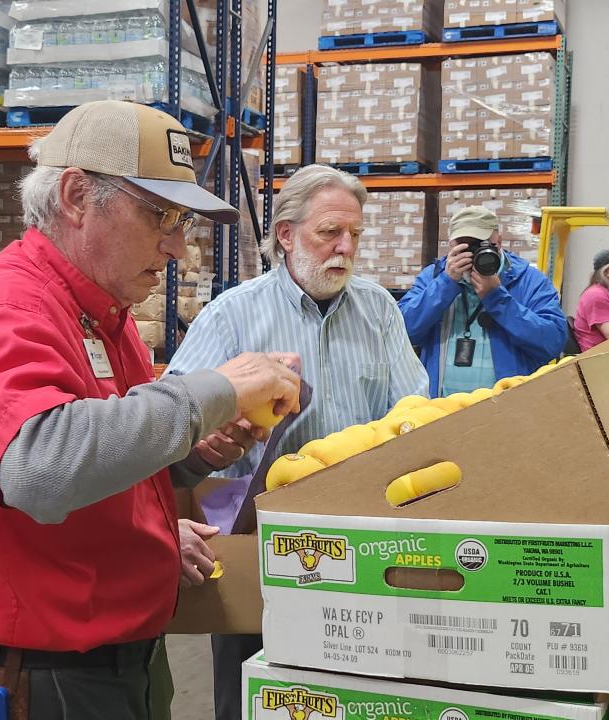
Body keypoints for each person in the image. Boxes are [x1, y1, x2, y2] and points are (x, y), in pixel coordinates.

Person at [0, 100, 304, 720]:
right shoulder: (4, 310)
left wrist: (196, 451)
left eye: (184, 223)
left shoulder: (101, 314)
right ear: (75, 196)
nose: (178, 248)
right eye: (160, 217)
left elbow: (101, 458)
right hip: (43, 678)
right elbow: (40, 467)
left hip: (119, 659)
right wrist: (215, 389)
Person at [165, 163, 429, 720]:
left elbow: (413, 411)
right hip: (263, 544)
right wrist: (213, 437)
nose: (345, 248)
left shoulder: (378, 310)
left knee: (351, 695)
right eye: (329, 232)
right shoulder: (233, 315)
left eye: (355, 234)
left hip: (362, 544)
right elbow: (171, 419)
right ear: (286, 235)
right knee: (253, 696)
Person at [398, 205, 567, 397]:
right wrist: (445, 284)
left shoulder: (528, 280)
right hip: (441, 409)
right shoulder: (434, 277)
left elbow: (553, 342)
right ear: (451, 245)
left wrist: (497, 297)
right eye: (464, 246)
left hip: (507, 409)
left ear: (499, 242)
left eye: (480, 244)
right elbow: (402, 332)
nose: (472, 254)